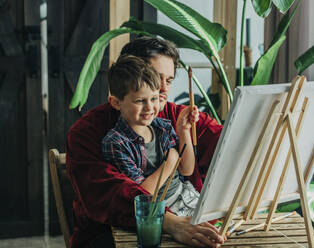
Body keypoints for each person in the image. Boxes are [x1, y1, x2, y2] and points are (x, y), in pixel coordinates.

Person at [66, 36, 224, 248]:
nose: (162, 89)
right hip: (109, 233)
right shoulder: (86, 132)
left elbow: (225, 141)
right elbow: (111, 194)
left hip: (185, 216)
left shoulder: (175, 116)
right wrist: (172, 223)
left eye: (168, 80)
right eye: (154, 78)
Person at [102, 55, 200, 216]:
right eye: (140, 101)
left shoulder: (163, 128)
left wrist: (183, 131)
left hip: (186, 196)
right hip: (159, 212)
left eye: (154, 98)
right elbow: (141, 194)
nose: (149, 107)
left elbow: (187, 170)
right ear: (116, 103)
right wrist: (169, 163)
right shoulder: (116, 143)